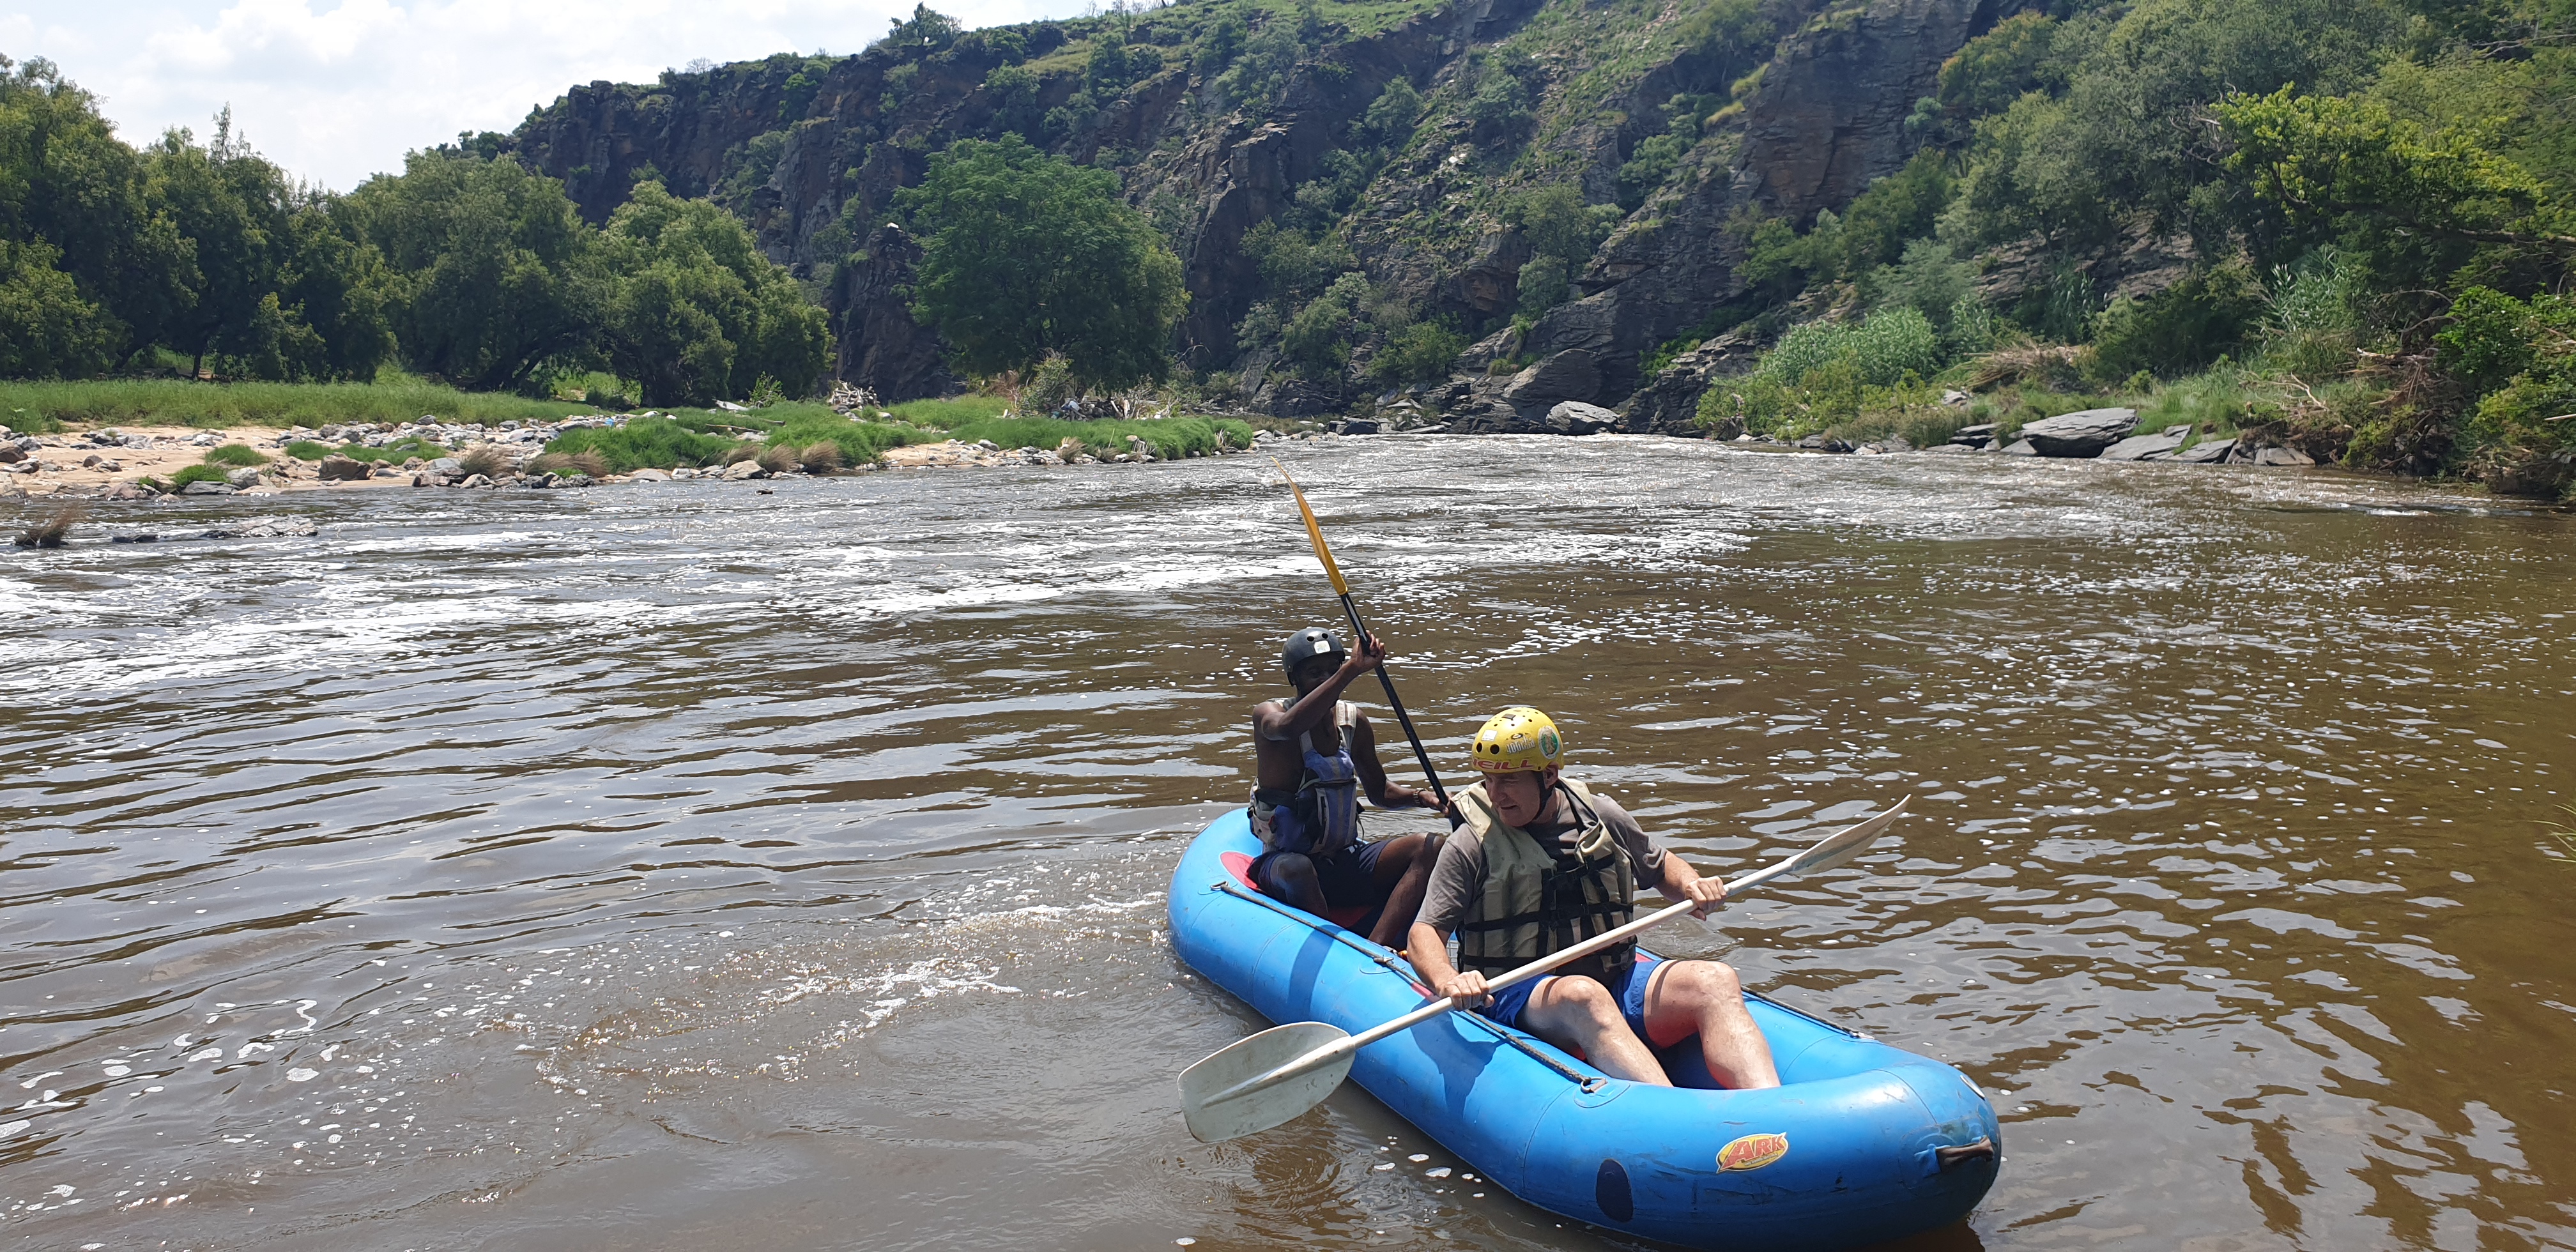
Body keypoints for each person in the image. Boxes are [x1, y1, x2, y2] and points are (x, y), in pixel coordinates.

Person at [1405, 706, 1780, 1089]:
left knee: (1715, 979)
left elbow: (1661, 865)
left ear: (1549, 775)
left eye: (1510, 781)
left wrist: (1691, 884)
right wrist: (1449, 980)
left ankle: (1772, 1109)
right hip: (1514, 996)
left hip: (1616, 978)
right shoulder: (1470, 843)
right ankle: (1674, 1116)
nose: (1496, 795)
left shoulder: (1600, 817)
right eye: (1488, 781)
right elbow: (1424, 933)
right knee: (1584, 996)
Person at [1250, 627, 1442, 949]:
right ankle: (1333, 948)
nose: (1325, 680)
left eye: (1332, 670)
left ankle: (1377, 947)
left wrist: (1424, 798)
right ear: (1293, 679)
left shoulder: (1353, 722)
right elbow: (1287, 729)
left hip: (1343, 861)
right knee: (1299, 868)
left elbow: (1380, 792)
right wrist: (1350, 670)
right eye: (1314, 674)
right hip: (1286, 863)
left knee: (1431, 847)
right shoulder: (1271, 715)